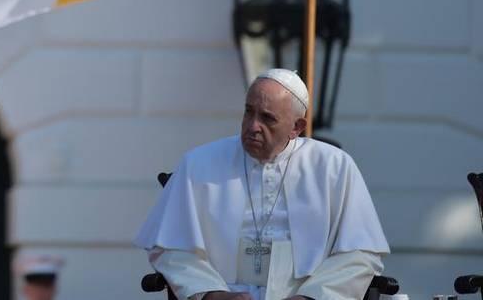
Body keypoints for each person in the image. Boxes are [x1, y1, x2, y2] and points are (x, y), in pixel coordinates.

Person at [134, 69, 389, 300]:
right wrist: (212, 294)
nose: (253, 126)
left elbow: (359, 255)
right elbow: (170, 247)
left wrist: (313, 297)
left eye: (267, 118)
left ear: (297, 127)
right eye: (249, 111)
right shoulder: (199, 163)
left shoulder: (334, 167)